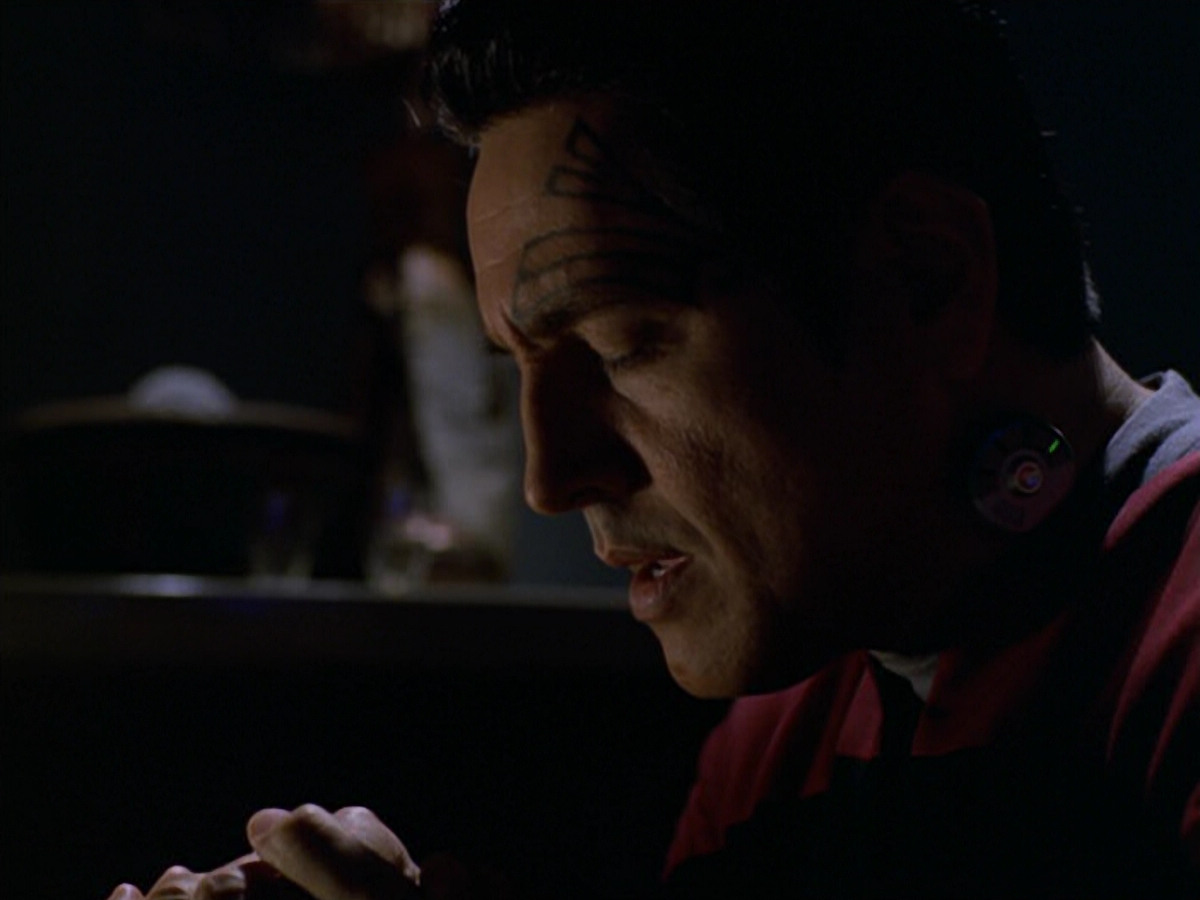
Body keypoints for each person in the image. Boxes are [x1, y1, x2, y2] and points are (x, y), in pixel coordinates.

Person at [109, 1, 1200, 897]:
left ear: (926, 281)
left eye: (622, 346)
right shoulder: (782, 734)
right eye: (515, 367)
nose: (550, 478)